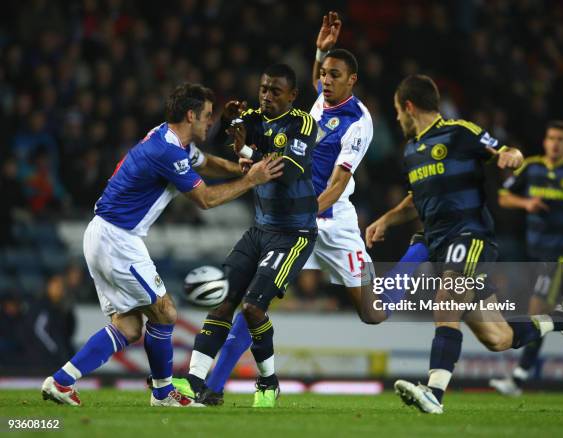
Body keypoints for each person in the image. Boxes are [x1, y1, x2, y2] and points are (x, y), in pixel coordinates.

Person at [185, 12, 430, 406]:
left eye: (335, 75)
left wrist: (302, 211)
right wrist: (321, 48)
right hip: (291, 225)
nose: (327, 81)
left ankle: (419, 250)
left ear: (352, 81)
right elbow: (312, 79)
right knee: (255, 303)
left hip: (330, 224)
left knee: (373, 313)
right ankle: (211, 388)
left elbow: (338, 185)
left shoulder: (357, 122)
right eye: (324, 74)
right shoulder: (317, 103)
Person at [366, 75, 563, 414]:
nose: (397, 119)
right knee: (498, 338)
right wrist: (386, 219)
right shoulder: (411, 151)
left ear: (409, 107)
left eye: (397, 111)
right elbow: (418, 199)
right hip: (438, 244)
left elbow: (507, 151)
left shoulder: (460, 132)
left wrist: (512, 157)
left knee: (446, 299)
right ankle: (561, 321)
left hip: (469, 237)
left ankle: (434, 393)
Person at [41, 83, 283, 407]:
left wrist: (238, 168)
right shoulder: (166, 151)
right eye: (207, 116)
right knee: (166, 312)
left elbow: (206, 162)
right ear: (190, 115)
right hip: (118, 239)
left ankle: (61, 381)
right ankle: (163, 392)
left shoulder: (172, 141)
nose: (211, 122)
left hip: (105, 234)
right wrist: (251, 180)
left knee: (128, 327)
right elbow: (206, 200)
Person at [178, 64, 318, 408]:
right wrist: (230, 122)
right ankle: (194, 382)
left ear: (292, 95)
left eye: (275, 91)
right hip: (259, 229)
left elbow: (286, 172)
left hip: (293, 234)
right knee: (223, 301)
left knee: (254, 308)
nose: (267, 96)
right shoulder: (254, 118)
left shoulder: (302, 123)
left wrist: (245, 151)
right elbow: (230, 140)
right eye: (263, 89)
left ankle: (268, 382)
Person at [490, 121, 563, 395]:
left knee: (536, 313)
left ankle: (518, 380)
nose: (555, 143)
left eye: (560, 139)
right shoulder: (531, 167)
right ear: (545, 142)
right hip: (533, 252)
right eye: (551, 138)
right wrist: (526, 203)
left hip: (560, 254)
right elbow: (503, 197)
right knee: (545, 316)